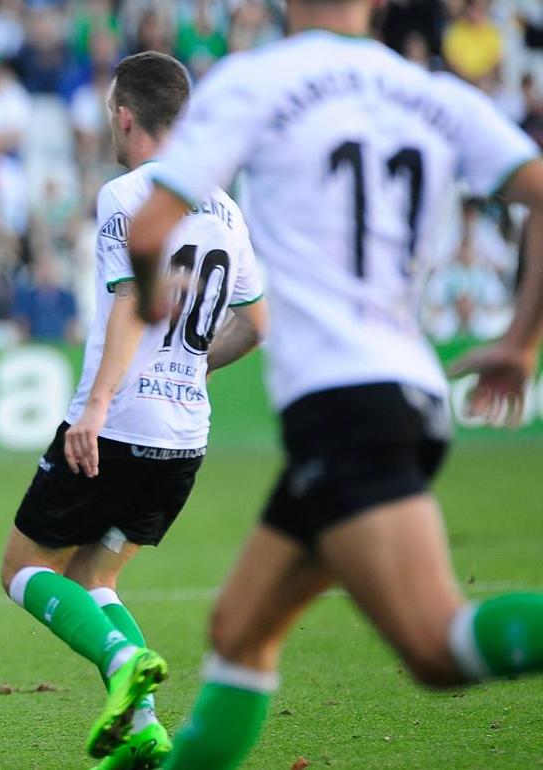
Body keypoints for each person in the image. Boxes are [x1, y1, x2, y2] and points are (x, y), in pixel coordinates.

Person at [120, 2, 543, 768]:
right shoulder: (434, 93)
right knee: (240, 632)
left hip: (345, 407)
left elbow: (150, 230)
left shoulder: (257, 81)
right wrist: (521, 341)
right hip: (405, 391)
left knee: (437, 645)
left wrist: (151, 296)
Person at [0, 52, 267, 770]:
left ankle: (122, 664)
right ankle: (144, 726)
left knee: (23, 570)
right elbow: (257, 323)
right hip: (184, 438)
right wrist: (192, 366)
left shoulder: (127, 194)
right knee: (97, 578)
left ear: (125, 117)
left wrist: (95, 408)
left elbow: (128, 301)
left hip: (119, 426)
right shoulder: (226, 208)